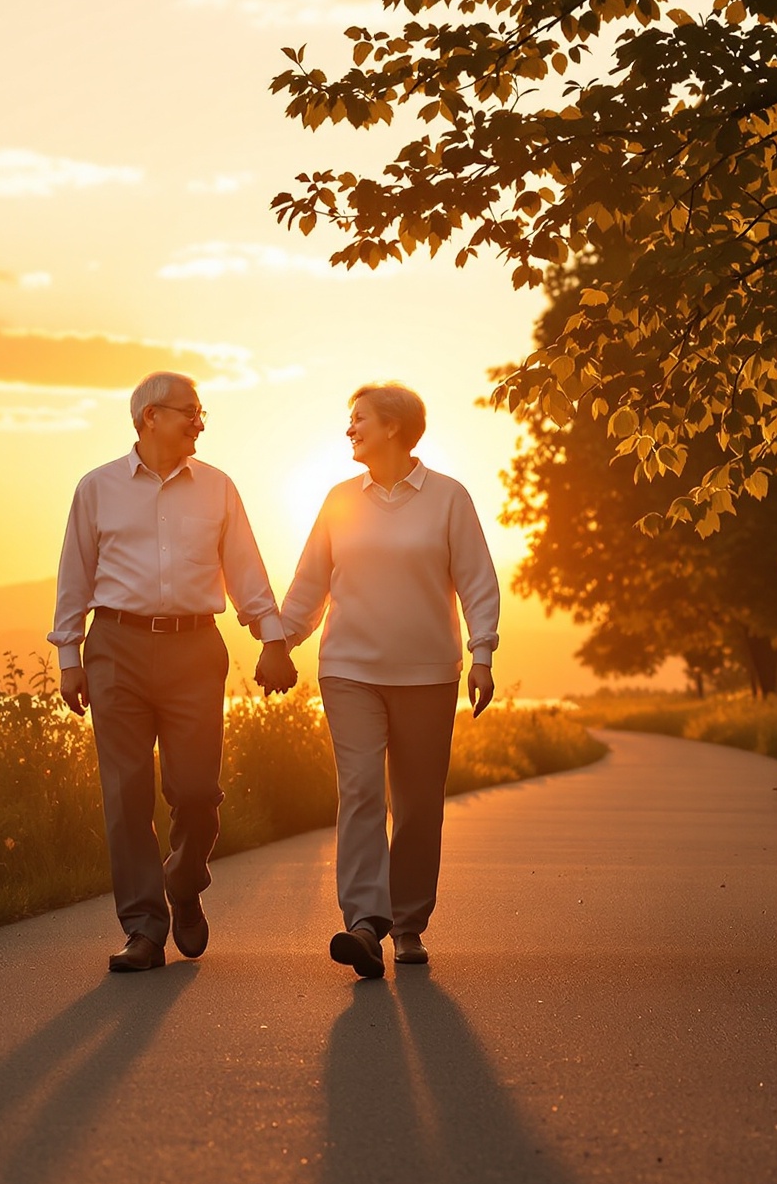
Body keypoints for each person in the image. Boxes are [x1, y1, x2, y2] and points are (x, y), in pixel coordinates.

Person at [51, 371, 298, 973]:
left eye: (201, 410)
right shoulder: (98, 488)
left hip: (194, 649)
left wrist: (272, 640)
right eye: (190, 411)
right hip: (115, 647)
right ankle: (143, 928)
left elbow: (245, 569)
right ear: (149, 417)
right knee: (125, 795)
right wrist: (69, 656)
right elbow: (75, 576)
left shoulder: (217, 488)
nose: (200, 421)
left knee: (195, 791)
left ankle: (184, 880)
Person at [280, 382, 501, 979]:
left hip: (429, 674)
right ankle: (364, 924)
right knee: (360, 791)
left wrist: (482, 653)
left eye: (359, 419)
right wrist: (280, 641)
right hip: (349, 669)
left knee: (419, 804)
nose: (349, 429)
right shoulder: (338, 500)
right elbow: (309, 585)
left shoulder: (449, 498)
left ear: (395, 429)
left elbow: (478, 580)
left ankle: (407, 925)